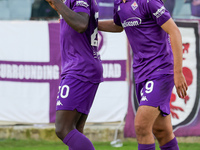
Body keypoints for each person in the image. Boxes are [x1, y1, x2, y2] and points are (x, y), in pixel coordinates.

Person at [98, 0, 188, 150]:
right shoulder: (119, 4)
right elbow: (118, 25)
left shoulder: (149, 2)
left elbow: (174, 31)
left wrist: (178, 72)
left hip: (160, 70)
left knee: (141, 126)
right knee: (162, 132)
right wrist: (93, 24)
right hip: (141, 73)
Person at [45, 0, 103, 150]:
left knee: (63, 128)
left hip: (80, 68)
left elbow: (81, 24)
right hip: (83, 66)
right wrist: (59, 7)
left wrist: (58, 4)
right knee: (74, 129)